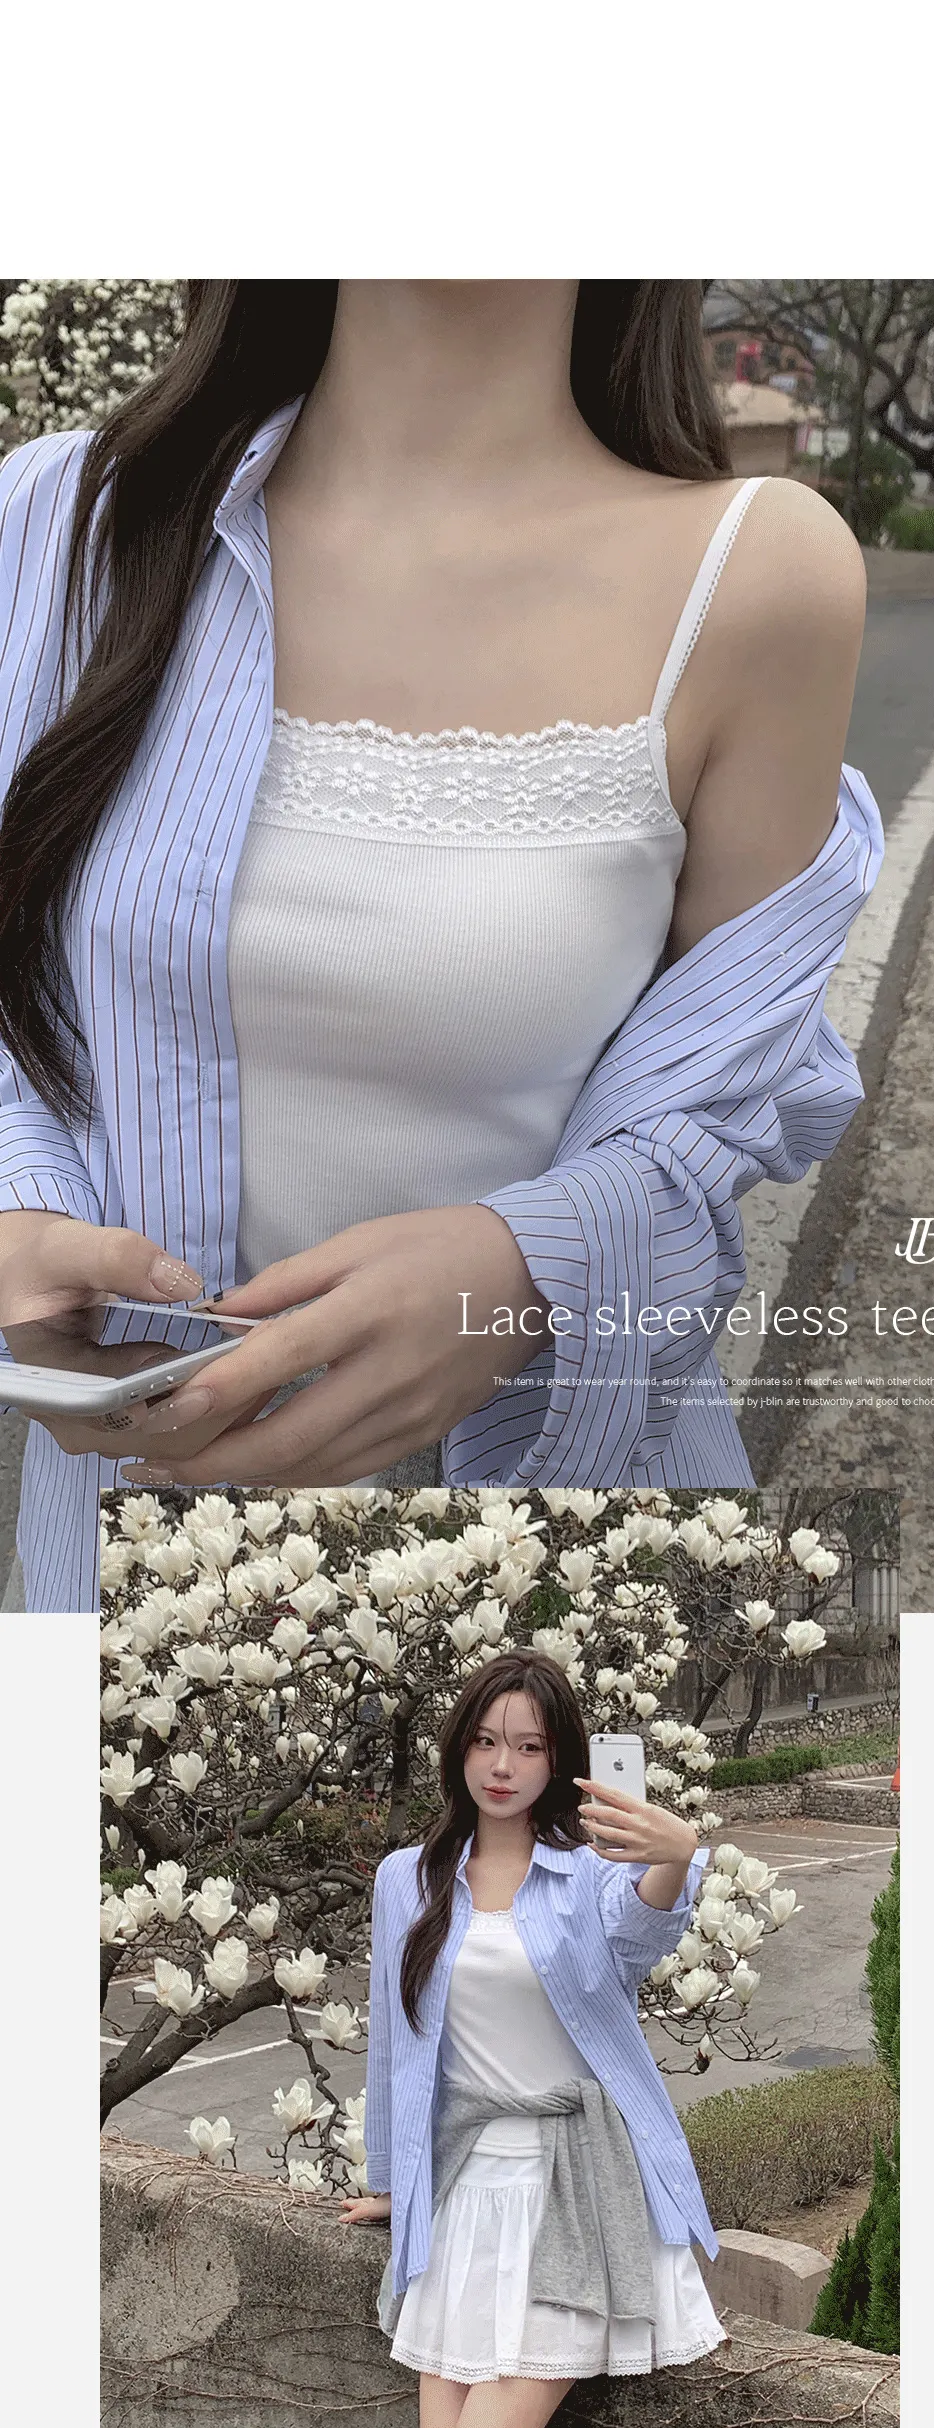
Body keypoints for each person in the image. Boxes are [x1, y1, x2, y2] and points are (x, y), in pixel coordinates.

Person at [0, 278, 881, 1605]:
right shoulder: (59, 523)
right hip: (118, 1554)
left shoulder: (758, 573)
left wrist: (528, 1274)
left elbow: (728, 1110)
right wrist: (17, 1210)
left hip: (562, 1553)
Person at [341, 1652, 722, 2428]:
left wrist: (675, 1858)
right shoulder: (406, 1879)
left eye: (528, 1746)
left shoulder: (591, 1876)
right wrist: (393, 2181)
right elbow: (395, 2043)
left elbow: (643, 1930)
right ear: (458, 1750)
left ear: (560, 1761)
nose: (502, 1766)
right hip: (464, 2193)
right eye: (484, 1741)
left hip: (573, 2193)